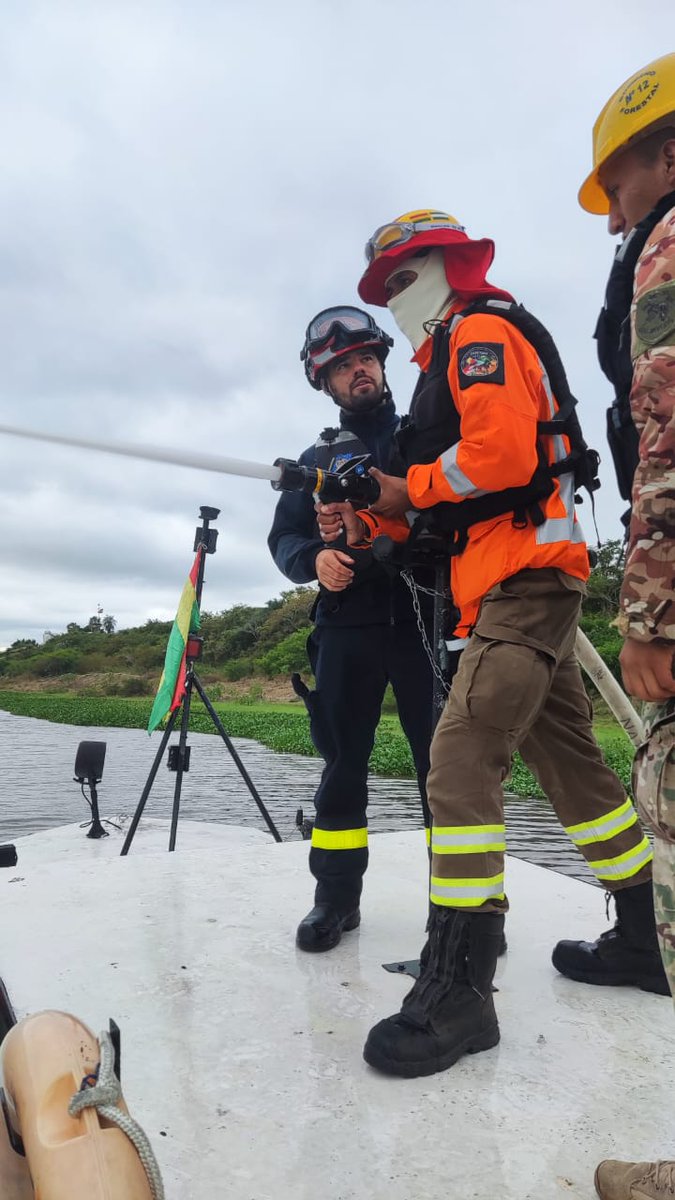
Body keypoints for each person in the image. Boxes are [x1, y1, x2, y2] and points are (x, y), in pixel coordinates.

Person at [328, 208, 667, 1079]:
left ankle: (459, 992)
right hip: (503, 584)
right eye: (385, 286)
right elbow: (439, 510)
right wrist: (367, 513)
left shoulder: (478, 334)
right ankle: (646, 936)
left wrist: (406, 488)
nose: (395, 298)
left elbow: (503, 456)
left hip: (526, 580)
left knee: (458, 760)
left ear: (450, 265)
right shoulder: (442, 363)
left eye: (403, 278)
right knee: (572, 768)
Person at [575, 53, 675, 1200]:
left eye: (621, 185)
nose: (617, 217)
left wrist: (649, 612)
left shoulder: (669, 244)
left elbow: (667, 424)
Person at [268, 305, 439, 954]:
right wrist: (315, 559)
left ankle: (464, 911)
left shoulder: (423, 437)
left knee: (445, 770)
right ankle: (335, 900)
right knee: (341, 767)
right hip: (345, 628)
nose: (358, 370)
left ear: (382, 364)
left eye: (365, 357)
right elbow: (285, 539)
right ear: (324, 382)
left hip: (426, 621)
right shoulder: (313, 461)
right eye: (342, 366)